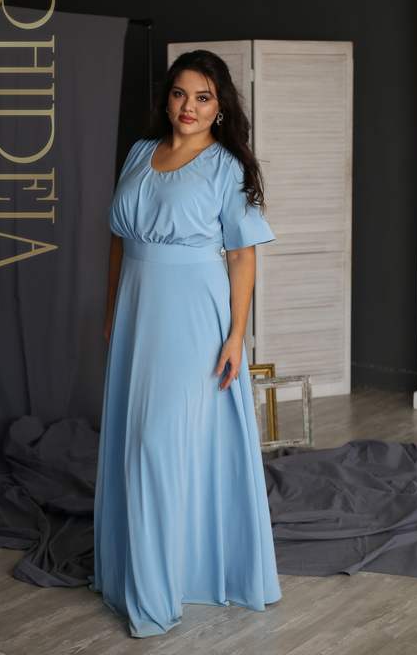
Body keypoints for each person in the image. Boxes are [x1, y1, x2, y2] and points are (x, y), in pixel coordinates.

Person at [91, 49, 282, 637]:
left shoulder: (227, 167)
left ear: (219, 106)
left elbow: (242, 256)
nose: (189, 107)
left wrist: (236, 335)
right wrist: (112, 308)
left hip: (194, 315)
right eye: (180, 93)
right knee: (133, 440)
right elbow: (119, 238)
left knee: (158, 444)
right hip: (137, 312)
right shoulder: (139, 153)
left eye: (203, 97)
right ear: (167, 98)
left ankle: (154, 598)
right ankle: (136, 571)